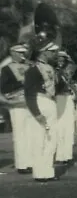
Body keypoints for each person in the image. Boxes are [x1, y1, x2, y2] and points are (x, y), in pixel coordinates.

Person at [24, 41, 60, 182]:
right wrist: (36, 112)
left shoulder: (50, 67)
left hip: (50, 102)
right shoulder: (33, 70)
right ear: (44, 52)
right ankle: (39, 172)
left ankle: (48, 171)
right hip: (39, 101)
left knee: (52, 139)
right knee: (38, 139)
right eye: (52, 52)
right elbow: (29, 93)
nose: (54, 55)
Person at [0, 44, 33, 174]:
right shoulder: (7, 69)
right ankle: (22, 164)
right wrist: (21, 83)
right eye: (19, 53)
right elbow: (3, 87)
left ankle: (31, 161)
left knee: (31, 134)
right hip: (17, 104)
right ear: (12, 53)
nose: (22, 55)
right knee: (20, 135)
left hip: (31, 103)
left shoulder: (30, 66)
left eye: (24, 53)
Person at [54, 51, 76, 166]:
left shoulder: (68, 70)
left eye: (63, 60)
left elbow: (73, 66)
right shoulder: (54, 71)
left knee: (69, 128)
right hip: (58, 99)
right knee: (58, 128)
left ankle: (68, 155)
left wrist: (68, 57)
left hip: (68, 98)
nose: (60, 62)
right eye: (58, 60)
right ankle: (59, 155)